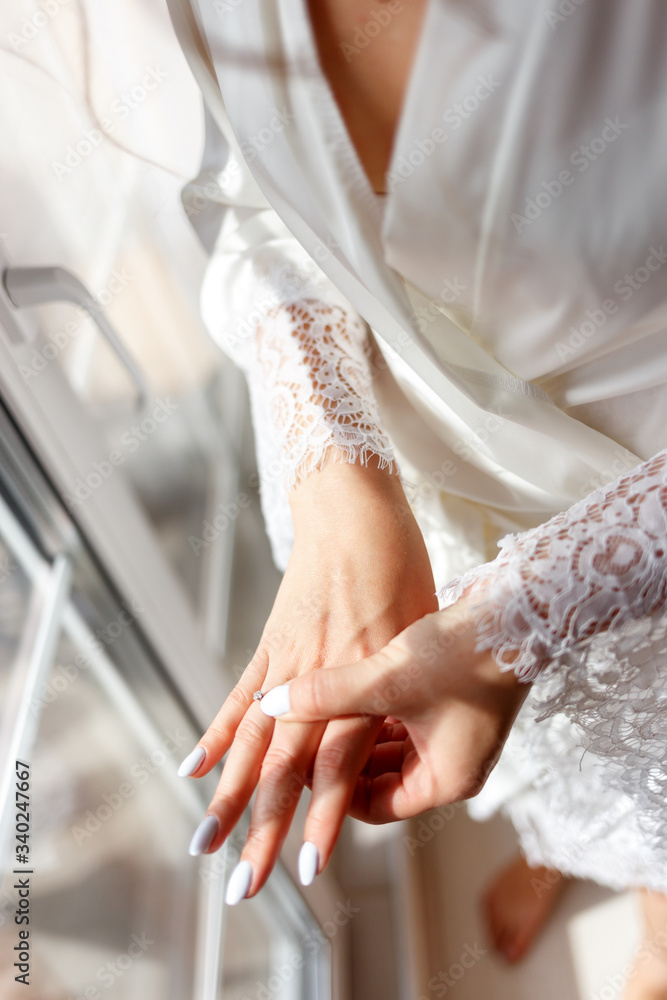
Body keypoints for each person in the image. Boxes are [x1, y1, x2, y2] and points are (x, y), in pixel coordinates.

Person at [169, 0, 667, 989]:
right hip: (419, 519)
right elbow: (258, 197)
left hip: (635, 565)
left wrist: (523, 614)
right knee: (570, 788)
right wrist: (337, 483)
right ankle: (580, 846)